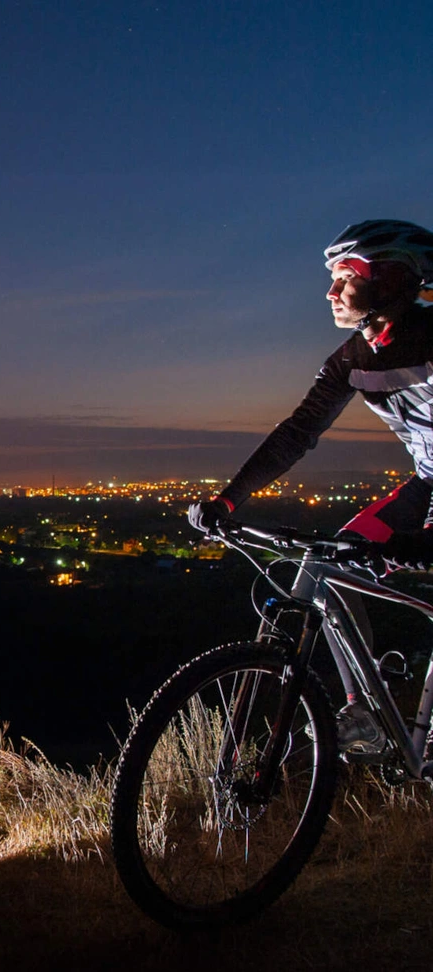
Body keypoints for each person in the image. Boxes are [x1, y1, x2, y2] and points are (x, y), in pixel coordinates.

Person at [188, 219, 433, 752]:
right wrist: (229, 498)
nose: (329, 292)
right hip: (428, 484)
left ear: (389, 281)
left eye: (344, 277)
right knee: (327, 565)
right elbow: (297, 433)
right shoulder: (352, 359)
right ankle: (363, 713)